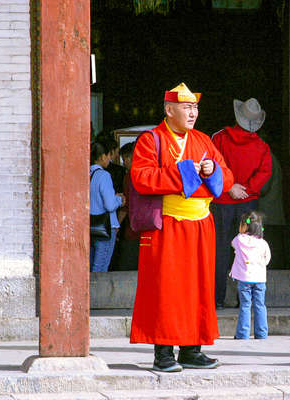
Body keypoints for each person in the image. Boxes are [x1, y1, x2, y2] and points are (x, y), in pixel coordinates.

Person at [129, 83, 234, 372]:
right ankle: (163, 353)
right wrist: (187, 171)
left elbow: (225, 175)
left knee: (198, 288)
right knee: (167, 290)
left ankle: (192, 349)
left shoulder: (203, 140)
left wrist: (213, 171)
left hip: (201, 225)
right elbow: (142, 177)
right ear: (169, 110)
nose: (193, 113)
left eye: (195, 107)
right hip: (168, 226)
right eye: (187, 107)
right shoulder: (151, 140)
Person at [211, 98, 272, 308]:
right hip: (249, 203)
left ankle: (216, 299)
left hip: (222, 200)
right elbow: (265, 173)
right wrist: (247, 190)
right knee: (248, 250)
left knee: (220, 249)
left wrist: (230, 187)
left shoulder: (219, 139)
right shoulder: (262, 146)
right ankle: (243, 300)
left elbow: (212, 166)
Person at [230, 211, 271, 339]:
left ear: (244, 226)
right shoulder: (263, 243)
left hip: (244, 279)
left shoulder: (238, 240)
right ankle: (262, 333)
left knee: (245, 306)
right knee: (260, 305)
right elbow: (267, 259)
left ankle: (242, 334)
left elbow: (233, 244)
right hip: (259, 279)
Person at [90, 141, 125, 272]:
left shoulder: (87, 174)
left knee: (92, 265)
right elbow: (110, 205)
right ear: (102, 156)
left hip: (91, 227)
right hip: (105, 228)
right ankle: (96, 293)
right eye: (109, 155)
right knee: (100, 268)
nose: (110, 159)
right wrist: (119, 200)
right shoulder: (104, 175)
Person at [112, 141, 139, 271]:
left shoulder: (129, 177)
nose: (124, 163)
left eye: (124, 159)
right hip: (152, 227)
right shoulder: (152, 173)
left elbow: (126, 205)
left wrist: (116, 225)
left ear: (129, 157)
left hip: (133, 228)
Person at [258, 150, 286, 269]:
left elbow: (263, 187)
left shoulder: (265, 158)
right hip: (271, 213)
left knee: (268, 255)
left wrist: (246, 189)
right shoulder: (271, 157)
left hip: (267, 213)